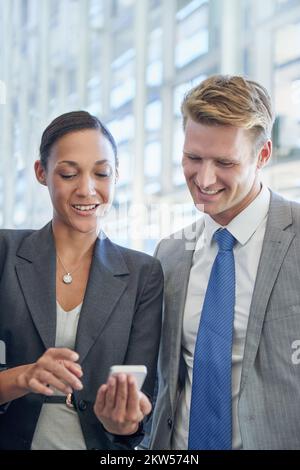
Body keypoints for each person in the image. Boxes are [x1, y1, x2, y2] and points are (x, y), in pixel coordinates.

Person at [149, 75, 300, 450]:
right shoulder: (168, 253)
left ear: (262, 156)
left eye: (225, 162)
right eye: (193, 158)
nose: (204, 178)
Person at [0, 111, 163, 450]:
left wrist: (123, 421)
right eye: (69, 173)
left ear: (116, 176)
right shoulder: (5, 253)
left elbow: (136, 415)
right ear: (41, 173)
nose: (87, 189)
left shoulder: (143, 275)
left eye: (101, 173)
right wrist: (23, 377)